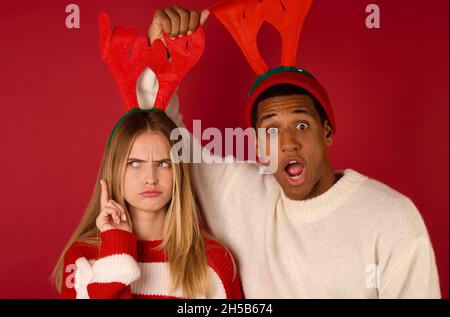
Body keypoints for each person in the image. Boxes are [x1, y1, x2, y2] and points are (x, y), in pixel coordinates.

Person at [139, 2, 441, 298]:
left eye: (301, 125)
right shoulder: (240, 196)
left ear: (327, 132)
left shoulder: (391, 218)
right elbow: (166, 142)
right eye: (271, 129)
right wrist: (160, 63)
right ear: (257, 145)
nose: (287, 143)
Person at [52, 15, 242, 298]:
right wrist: (117, 245)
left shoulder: (214, 261)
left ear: (179, 170)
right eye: (134, 164)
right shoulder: (83, 258)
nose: (150, 178)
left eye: (163, 163)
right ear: (114, 169)